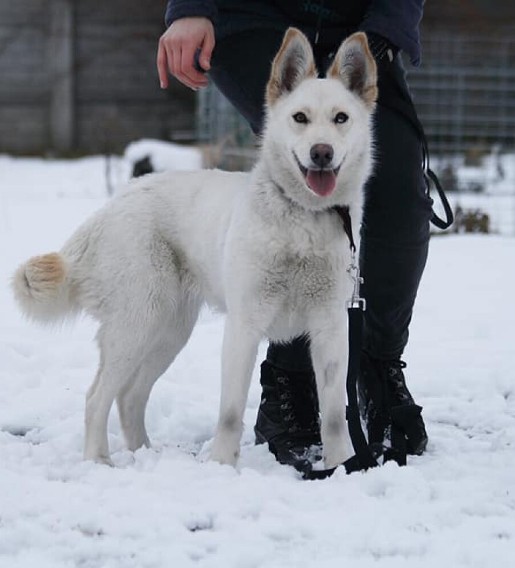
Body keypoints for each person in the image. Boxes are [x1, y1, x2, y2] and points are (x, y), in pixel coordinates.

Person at [157, 0, 433, 470]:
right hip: (253, 17)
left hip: (360, 25)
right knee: (293, 169)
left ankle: (378, 363)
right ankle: (289, 382)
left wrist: (387, 27)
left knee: (400, 187)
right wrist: (190, 6)